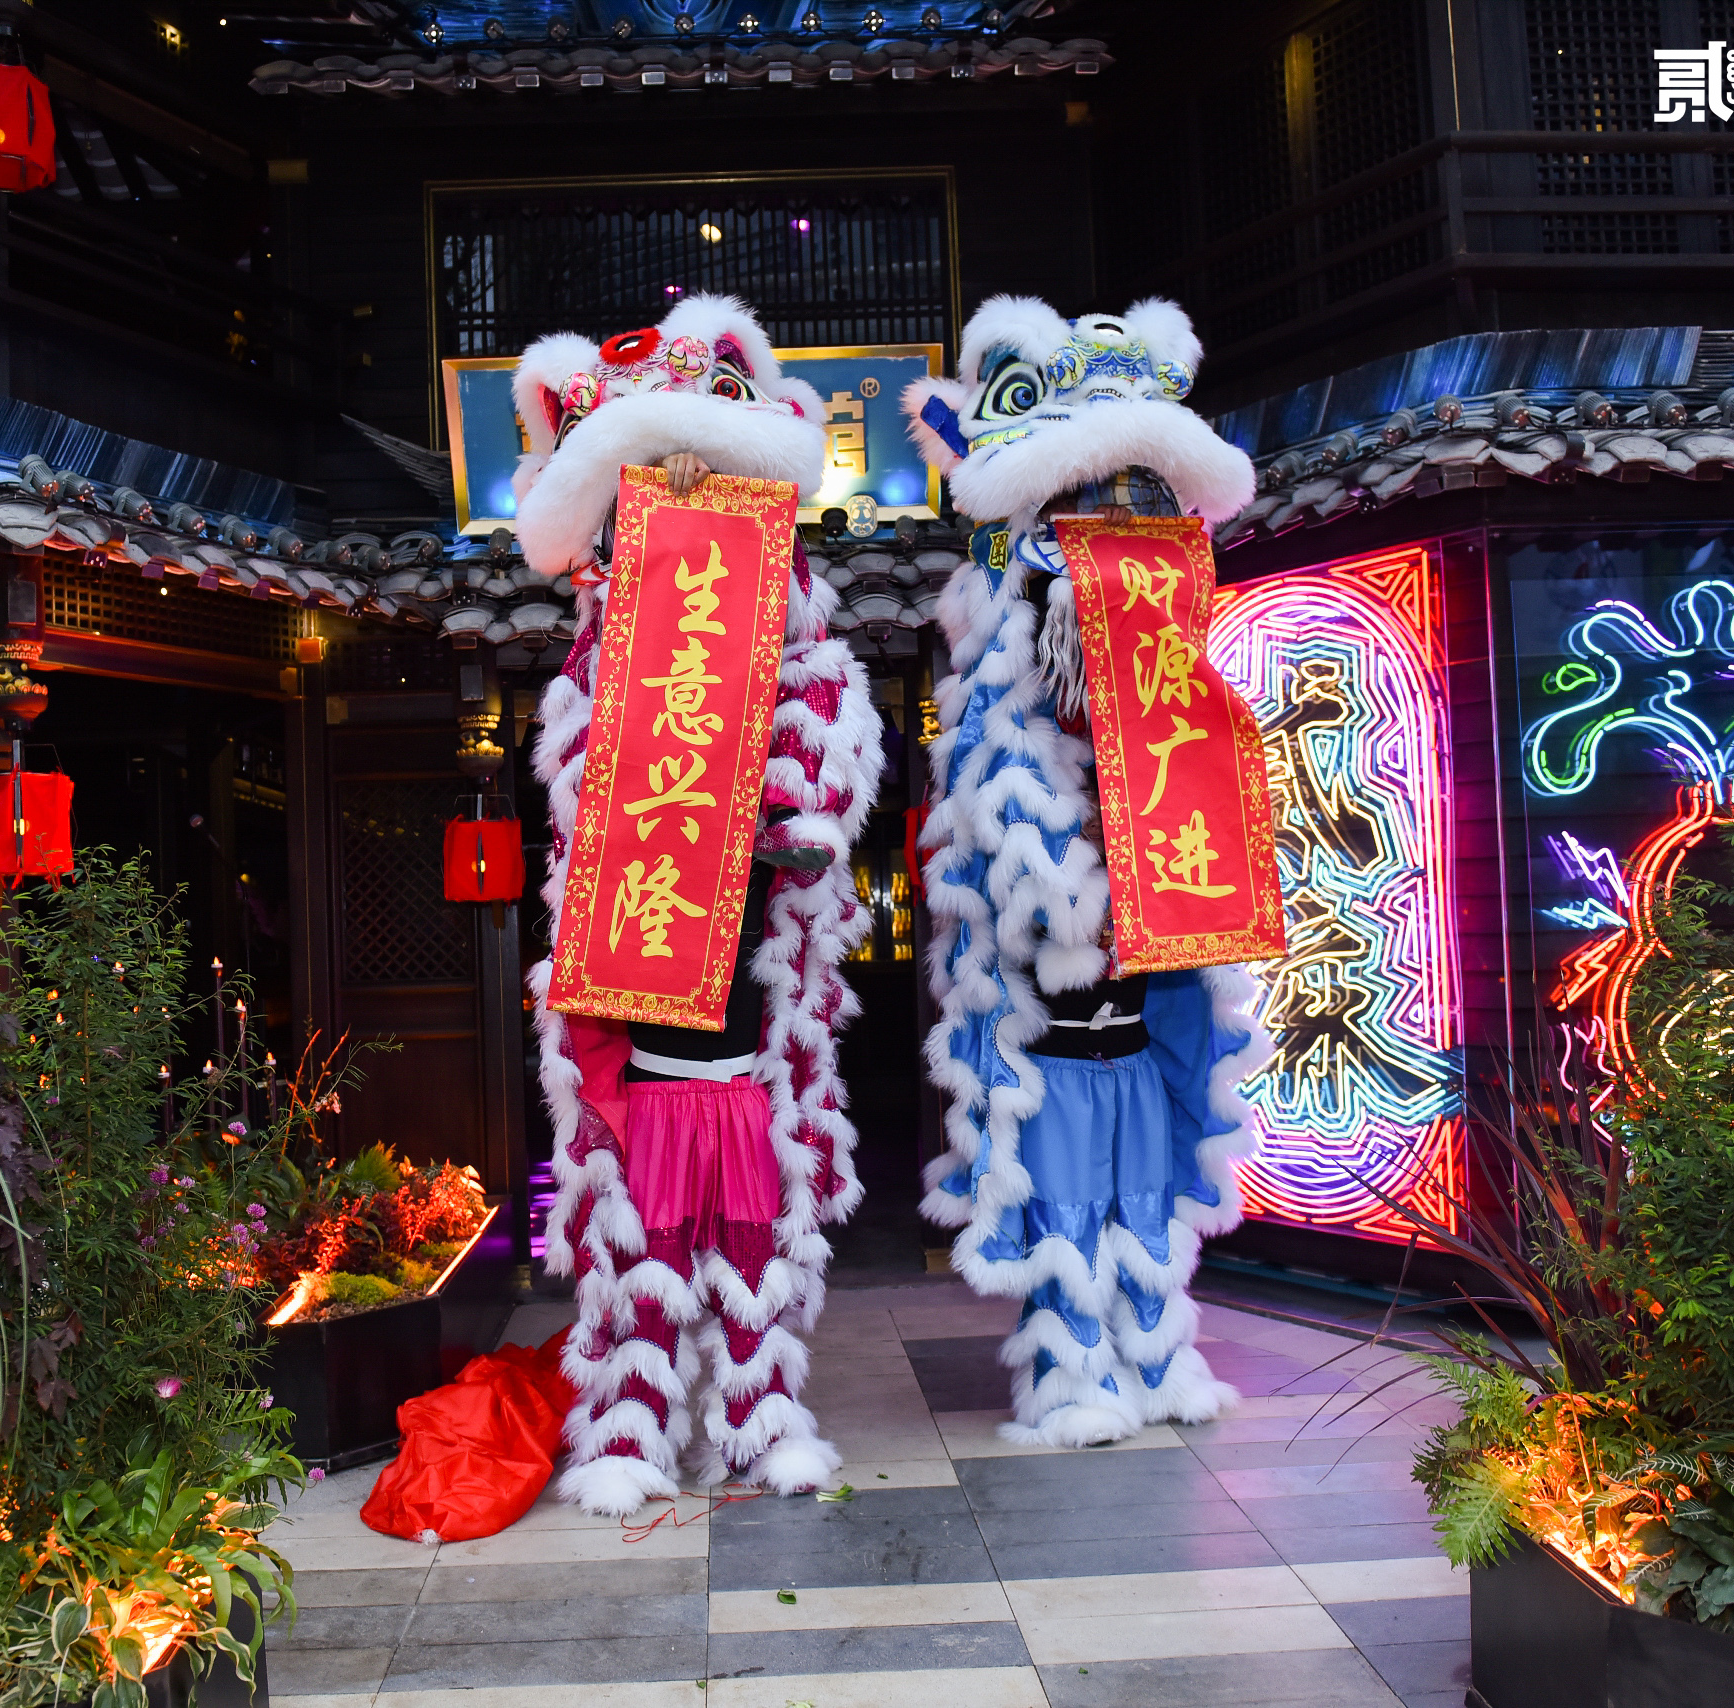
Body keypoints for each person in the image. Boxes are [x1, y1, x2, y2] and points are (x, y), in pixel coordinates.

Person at [516, 296, 886, 1513]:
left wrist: (796, 819)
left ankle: (759, 1416)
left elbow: (826, 716)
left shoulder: (785, 605)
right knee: (632, 1219)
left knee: (755, 1228)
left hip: (749, 962)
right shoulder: (605, 629)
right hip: (637, 938)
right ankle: (627, 1427)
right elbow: (581, 772)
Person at [905, 298, 1275, 1447]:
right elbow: (1002, 869)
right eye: (1087, 511)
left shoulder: (1170, 694)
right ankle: (1070, 1374)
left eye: (1137, 507)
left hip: (1144, 1030)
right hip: (1055, 1048)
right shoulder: (1001, 700)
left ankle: (1155, 1356)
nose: (1114, 536)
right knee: (1064, 1206)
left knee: (1149, 1201)